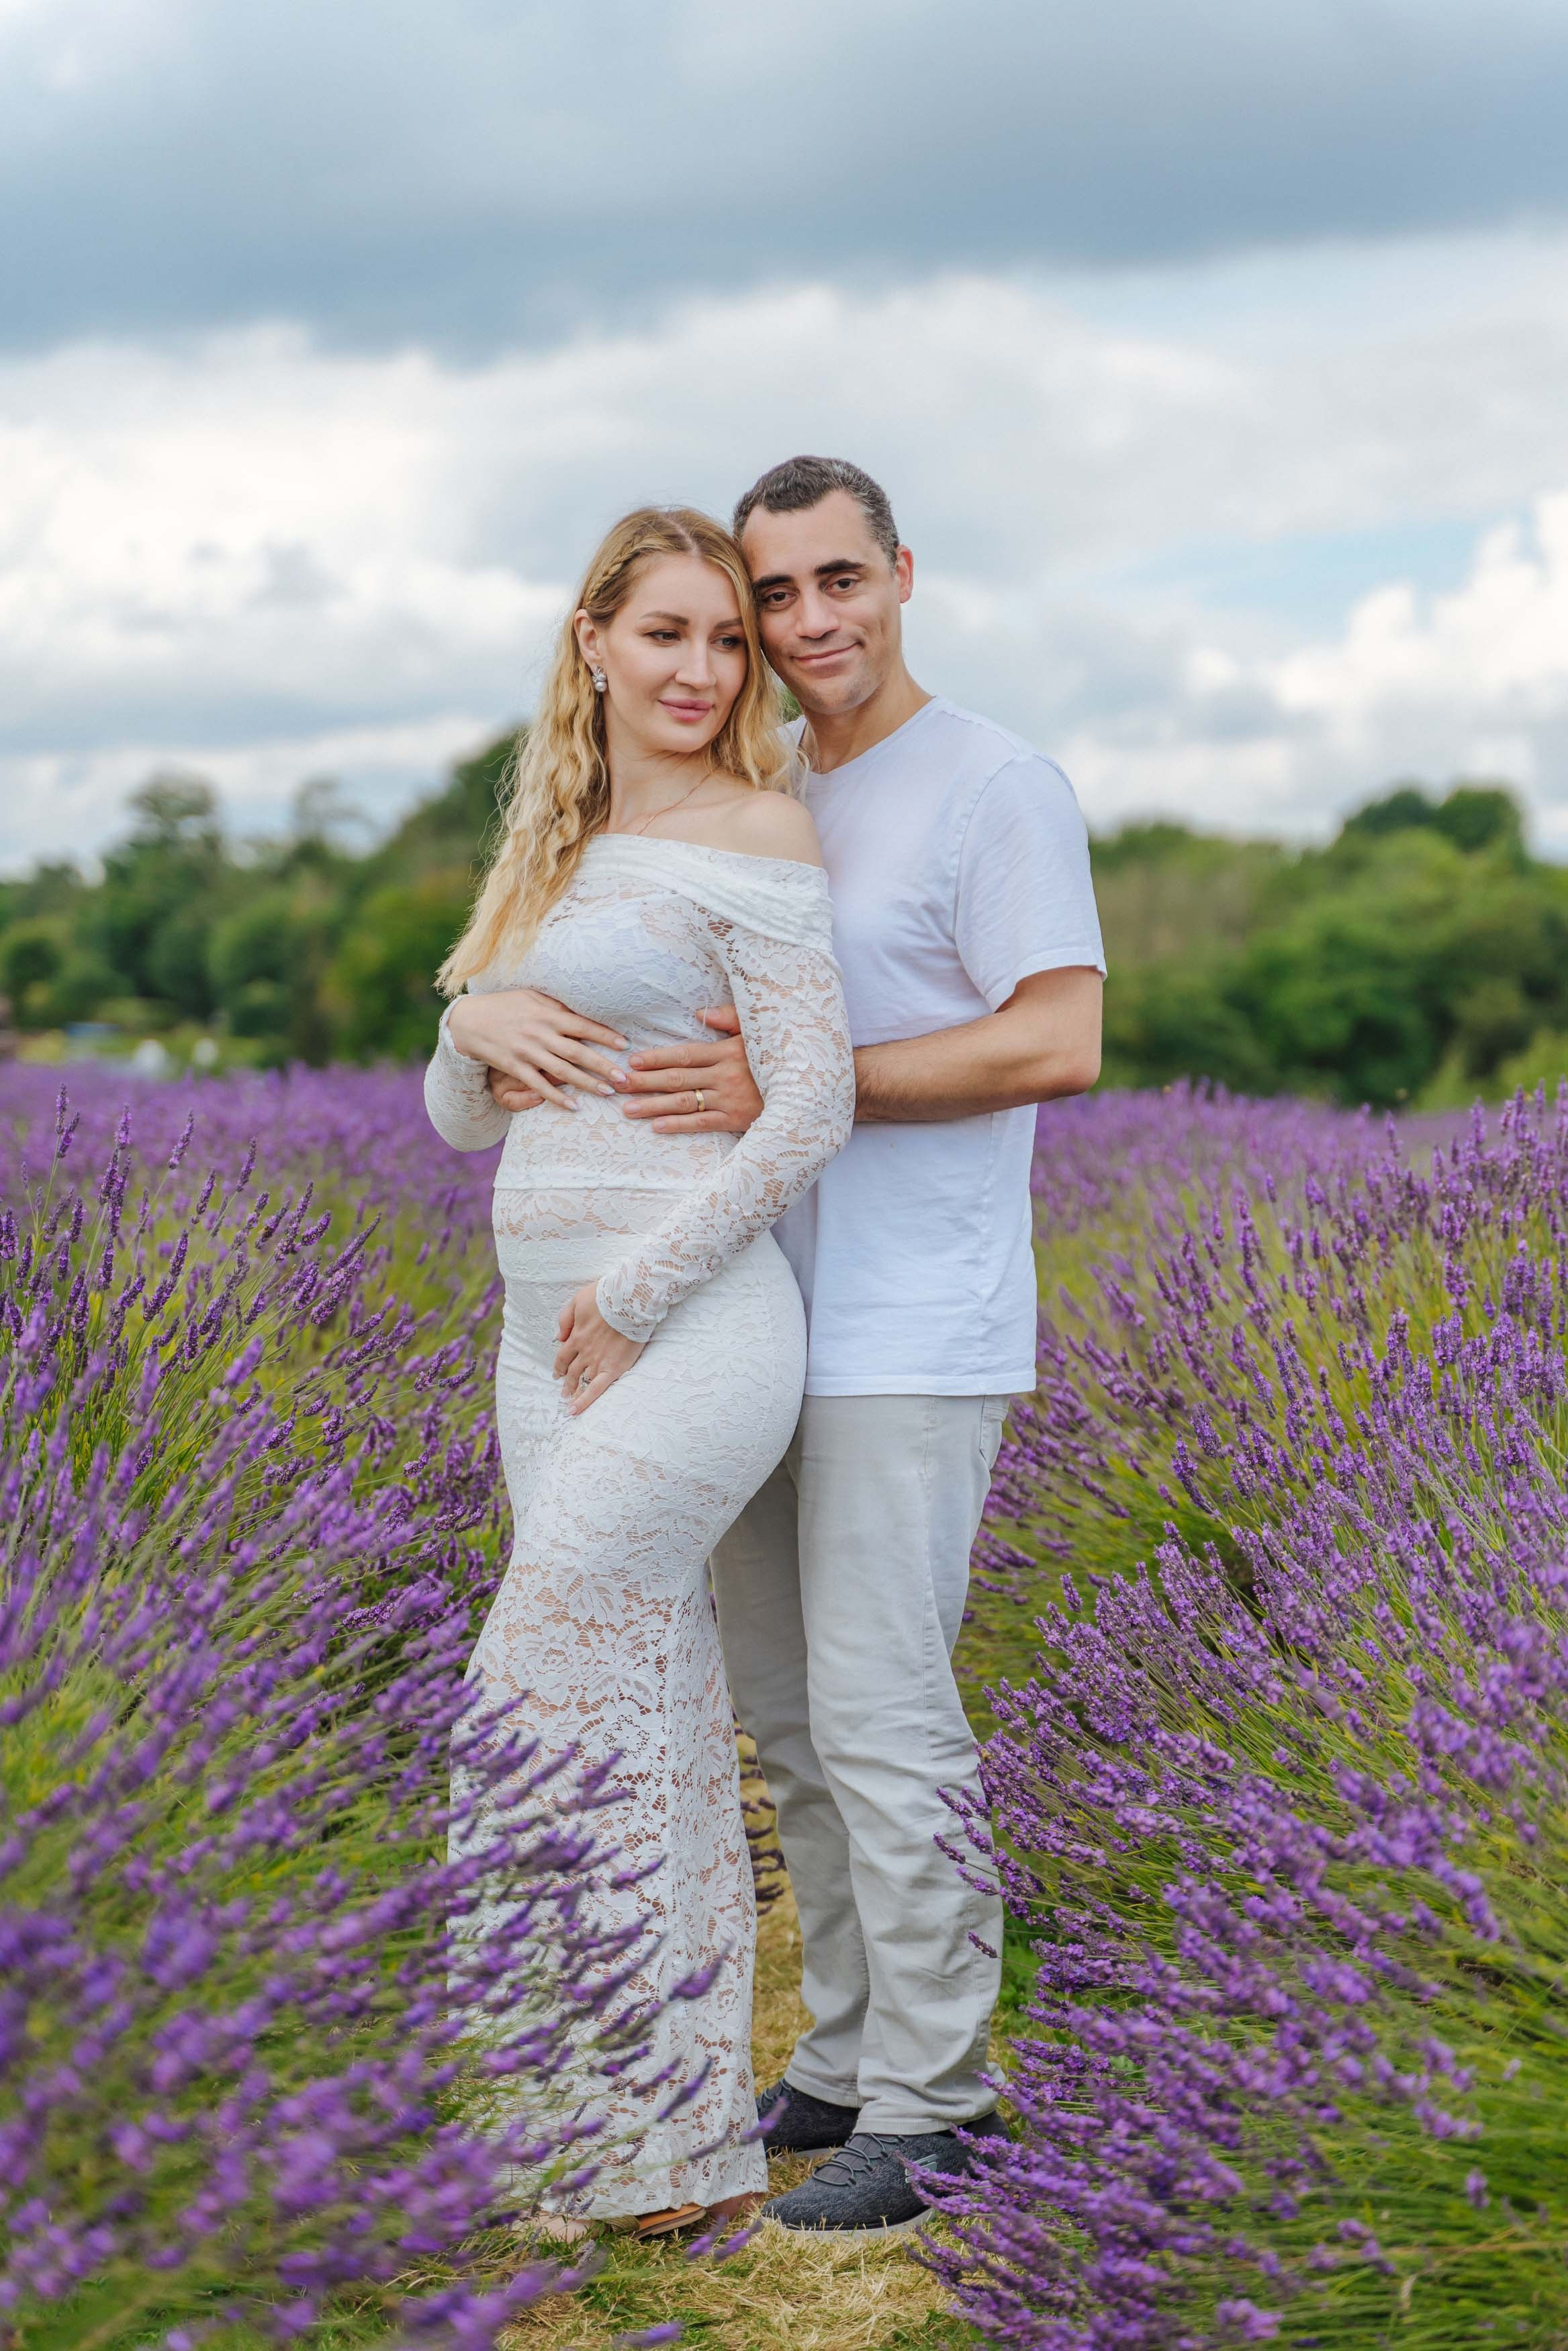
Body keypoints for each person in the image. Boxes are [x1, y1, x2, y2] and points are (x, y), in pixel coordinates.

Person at [583, 455, 1107, 2235]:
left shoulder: (995, 788)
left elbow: (1056, 1041)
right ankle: (848, 2056)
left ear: (902, 576)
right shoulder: (781, 791)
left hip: (914, 1326)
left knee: (891, 1718)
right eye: (773, 596)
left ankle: (949, 2102)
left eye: (835, 582)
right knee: (795, 1724)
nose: (807, 624)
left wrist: (801, 1089)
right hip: (768, 1324)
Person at [422, 504, 854, 2239]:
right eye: (665, 632)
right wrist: (465, 1022)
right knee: (641, 1721)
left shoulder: (759, 828)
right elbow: (461, 1115)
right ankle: (667, 2168)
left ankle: (541, 2135)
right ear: (591, 638)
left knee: (525, 1690)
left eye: (724, 640)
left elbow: (808, 1102)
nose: (700, 669)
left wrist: (642, 1286)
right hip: (537, 1344)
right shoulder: (551, 842)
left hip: (690, 1326)